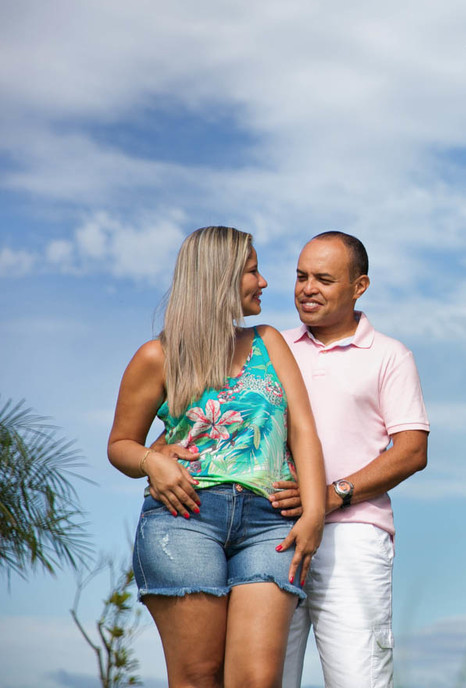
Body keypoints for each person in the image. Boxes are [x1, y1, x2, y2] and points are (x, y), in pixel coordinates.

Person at [107, 225, 326, 688]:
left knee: (256, 679)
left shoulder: (269, 341)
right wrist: (152, 461)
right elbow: (121, 444)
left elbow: (304, 430)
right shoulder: (157, 357)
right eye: (252, 271)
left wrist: (315, 512)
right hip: (185, 518)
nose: (263, 282)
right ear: (218, 278)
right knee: (198, 676)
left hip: (270, 524)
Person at [268, 231, 429, 688]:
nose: (307, 289)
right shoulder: (271, 348)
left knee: (360, 679)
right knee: (264, 678)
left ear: (360, 286)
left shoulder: (390, 355)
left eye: (323, 279)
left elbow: (412, 451)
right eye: (301, 276)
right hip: (270, 533)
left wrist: (331, 496)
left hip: (353, 538)